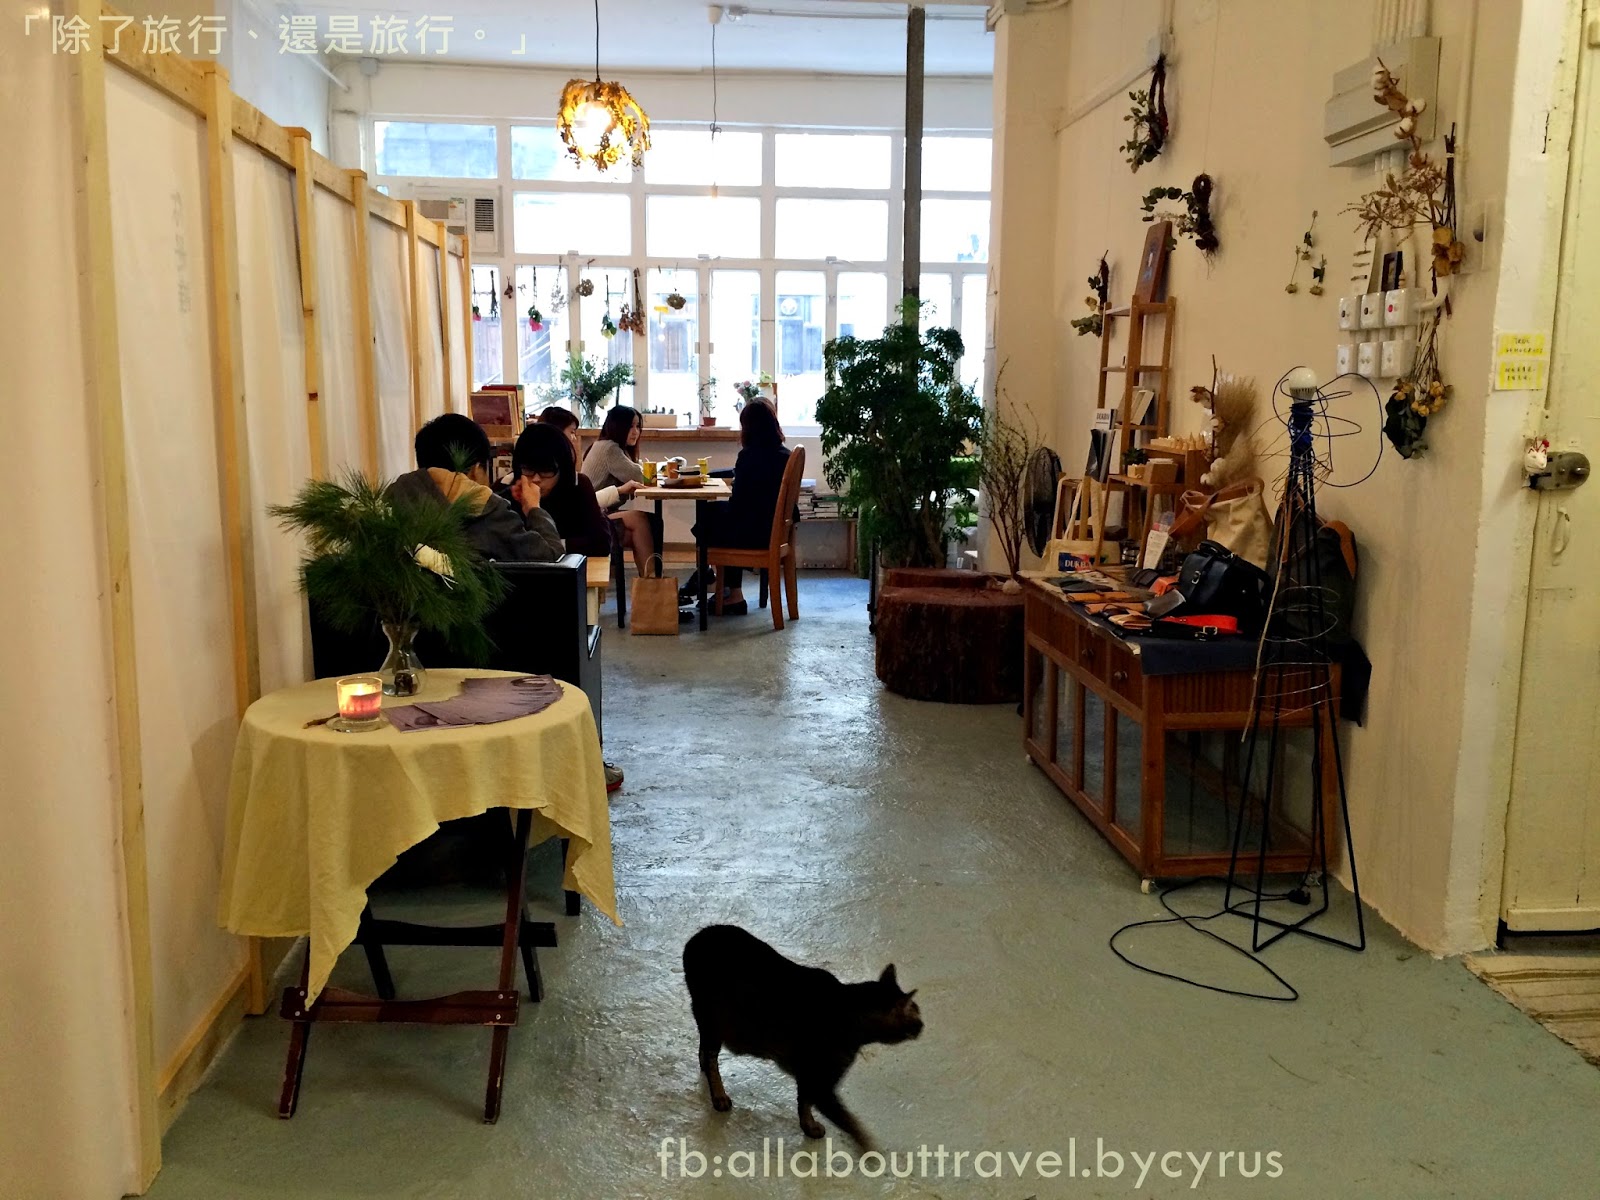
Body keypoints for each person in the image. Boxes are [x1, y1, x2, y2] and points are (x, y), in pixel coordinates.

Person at [388, 412, 563, 562]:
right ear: (475, 469)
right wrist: (533, 508)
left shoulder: (391, 499)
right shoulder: (488, 511)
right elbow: (552, 559)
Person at [686, 399, 792, 616]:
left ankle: (722, 586)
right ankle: (717, 582)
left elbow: (739, 502)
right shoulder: (786, 455)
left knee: (708, 516)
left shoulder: (749, 456)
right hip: (776, 531)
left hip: (757, 534)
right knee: (716, 516)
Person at [512, 422, 613, 558]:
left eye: (546, 470)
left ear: (562, 469)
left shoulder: (578, 485)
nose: (536, 479)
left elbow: (601, 544)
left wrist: (552, 545)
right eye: (528, 469)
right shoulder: (508, 488)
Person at [583, 405, 659, 577]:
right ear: (617, 426)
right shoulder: (610, 448)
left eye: (638, 426)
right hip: (590, 516)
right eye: (630, 426)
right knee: (640, 520)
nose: (635, 432)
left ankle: (650, 581)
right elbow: (639, 476)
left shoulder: (608, 446)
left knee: (653, 523)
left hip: (599, 512)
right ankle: (652, 581)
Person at [536, 406, 643, 513]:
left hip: (588, 512)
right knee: (642, 518)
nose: (574, 438)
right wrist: (619, 491)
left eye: (638, 426)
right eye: (572, 432)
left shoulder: (560, 464)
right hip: (586, 514)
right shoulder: (609, 448)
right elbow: (578, 504)